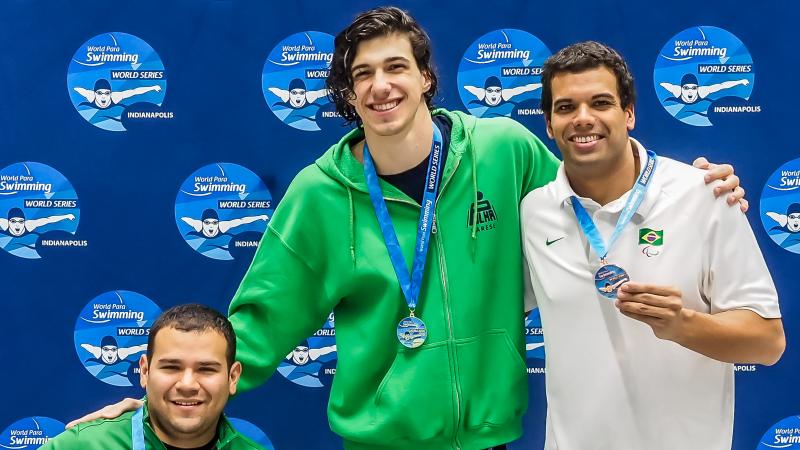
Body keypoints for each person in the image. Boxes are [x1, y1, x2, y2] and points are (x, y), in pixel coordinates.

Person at [66, 8, 745, 450]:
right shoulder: (318, 195)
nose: (380, 86)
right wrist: (167, 394)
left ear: (425, 78)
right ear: (347, 93)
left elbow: (598, 195)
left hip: (488, 439)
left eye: (396, 68)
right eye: (362, 75)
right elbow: (259, 322)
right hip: (380, 442)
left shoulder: (504, 150)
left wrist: (689, 182)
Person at [520, 41, 784, 450]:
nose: (583, 119)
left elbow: (767, 343)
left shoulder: (705, 196)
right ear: (549, 124)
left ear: (629, 113)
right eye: (566, 107)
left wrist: (684, 325)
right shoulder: (533, 213)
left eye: (601, 103)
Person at [42, 304, 263, 450]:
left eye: (206, 369)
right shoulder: (86, 445)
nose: (187, 384)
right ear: (145, 372)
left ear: (233, 377)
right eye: (171, 367)